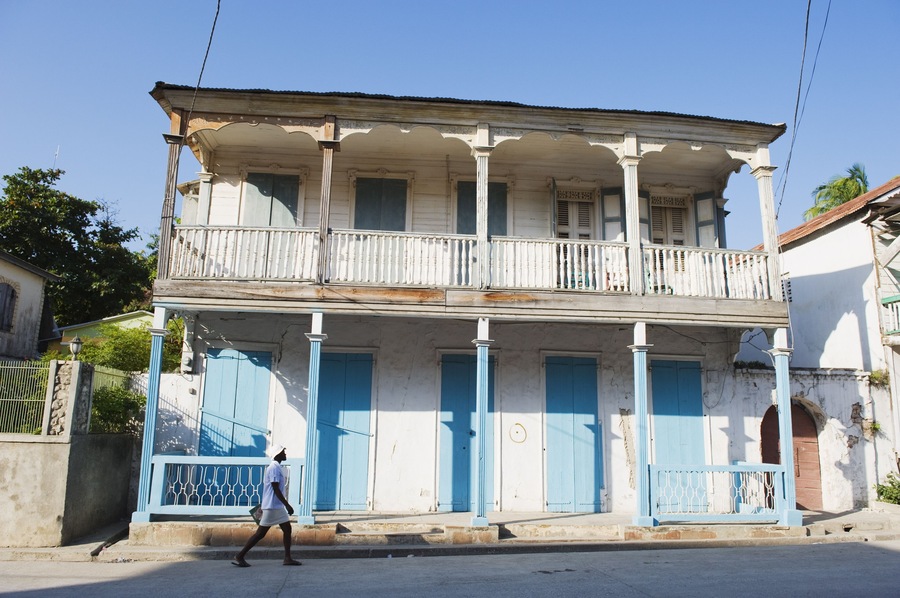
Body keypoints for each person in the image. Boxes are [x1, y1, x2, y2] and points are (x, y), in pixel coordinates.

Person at [232, 444, 301, 567]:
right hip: (272, 506)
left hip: (276, 506)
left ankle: (287, 557)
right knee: (260, 534)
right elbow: (275, 488)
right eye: (283, 452)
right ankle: (240, 555)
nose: (285, 454)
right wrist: (287, 505)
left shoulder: (277, 467)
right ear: (278, 454)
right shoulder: (274, 468)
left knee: (287, 529)